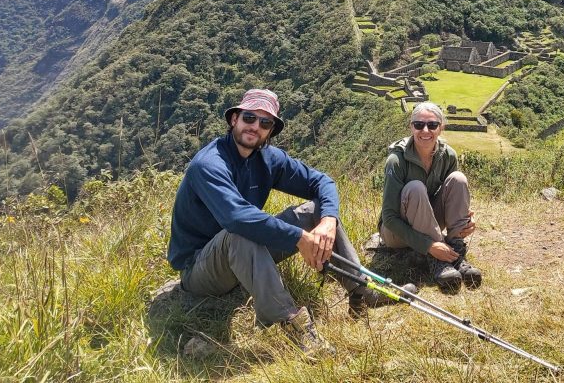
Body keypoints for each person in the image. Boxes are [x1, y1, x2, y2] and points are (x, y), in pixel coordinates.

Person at [168, 89, 415, 354]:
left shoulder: (267, 158)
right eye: (249, 118)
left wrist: (328, 220)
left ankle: (361, 290)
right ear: (234, 120)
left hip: (244, 253)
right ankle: (291, 324)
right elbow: (236, 218)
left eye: (265, 123)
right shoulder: (208, 164)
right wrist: (299, 238)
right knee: (239, 233)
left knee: (317, 209)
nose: (255, 127)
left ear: (271, 130)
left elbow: (322, 181)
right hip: (200, 269)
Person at [378, 102, 482, 291]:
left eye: (432, 125)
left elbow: (452, 196)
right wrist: (429, 245)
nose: (425, 130)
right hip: (395, 232)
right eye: (419, 125)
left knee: (458, 179)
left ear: (441, 128)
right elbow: (389, 218)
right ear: (411, 127)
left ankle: (456, 254)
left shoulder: (448, 156)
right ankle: (437, 260)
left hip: (427, 220)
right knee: (415, 188)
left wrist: (464, 220)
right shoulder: (397, 161)